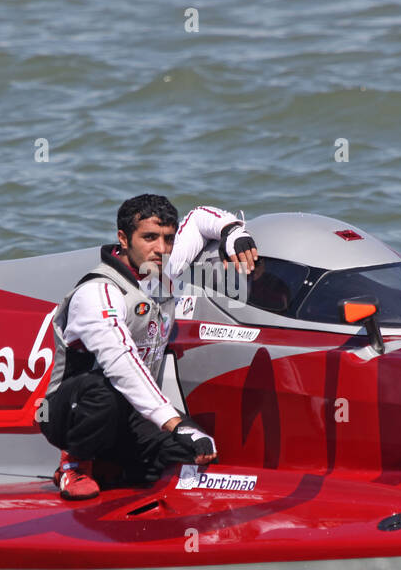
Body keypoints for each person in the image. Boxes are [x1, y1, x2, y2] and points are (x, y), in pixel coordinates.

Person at [40, 194, 258, 499]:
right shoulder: (98, 292)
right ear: (123, 239)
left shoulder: (160, 268)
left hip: (130, 412)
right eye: (150, 238)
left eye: (168, 239)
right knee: (104, 392)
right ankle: (73, 465)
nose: (162, 249)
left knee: (192, 455)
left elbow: (198, 219)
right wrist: (174, 422)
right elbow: (121, 360)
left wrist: (233, 232)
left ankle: (113, 468)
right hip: (67, 414)